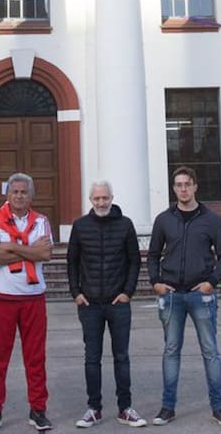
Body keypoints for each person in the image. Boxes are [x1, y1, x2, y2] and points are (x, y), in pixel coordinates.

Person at [145, 167, 221, 428]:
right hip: (171, 296)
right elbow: (152, 255)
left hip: (201, 296)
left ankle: (218, 408)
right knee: (171, 351)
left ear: (195, 186)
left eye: (187, 184)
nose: (183, 189)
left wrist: (212, 282)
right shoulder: (164, 220)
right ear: (174, 189)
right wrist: (156, 282)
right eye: (178, 185)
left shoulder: (211, 220)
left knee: (210, 351)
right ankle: (167, 408)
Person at [67, 181, 146, 429]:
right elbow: (72, 262)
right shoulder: (80, 226)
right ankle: (94, 409)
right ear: (90, 200)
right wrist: (76, 293)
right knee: (92, 358)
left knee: (121, 357)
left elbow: (134, 261)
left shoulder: (125, 225)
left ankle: (125, 409)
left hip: (118, 303)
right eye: (96, 199)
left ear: (112, 198)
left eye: (105, 198)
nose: (101, 203)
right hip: (89, 304)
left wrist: (127, 292)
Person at [0, 172, 55, 433]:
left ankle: (38, 409)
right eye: (15, 192)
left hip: (33, 298)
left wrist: (11, 248)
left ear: (31, 195)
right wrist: (29, 251)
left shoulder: (41, 221)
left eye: (24, 192)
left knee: (35, 357)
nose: (20, 196)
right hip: (1, 298)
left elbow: (45, 253)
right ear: (7, 194)